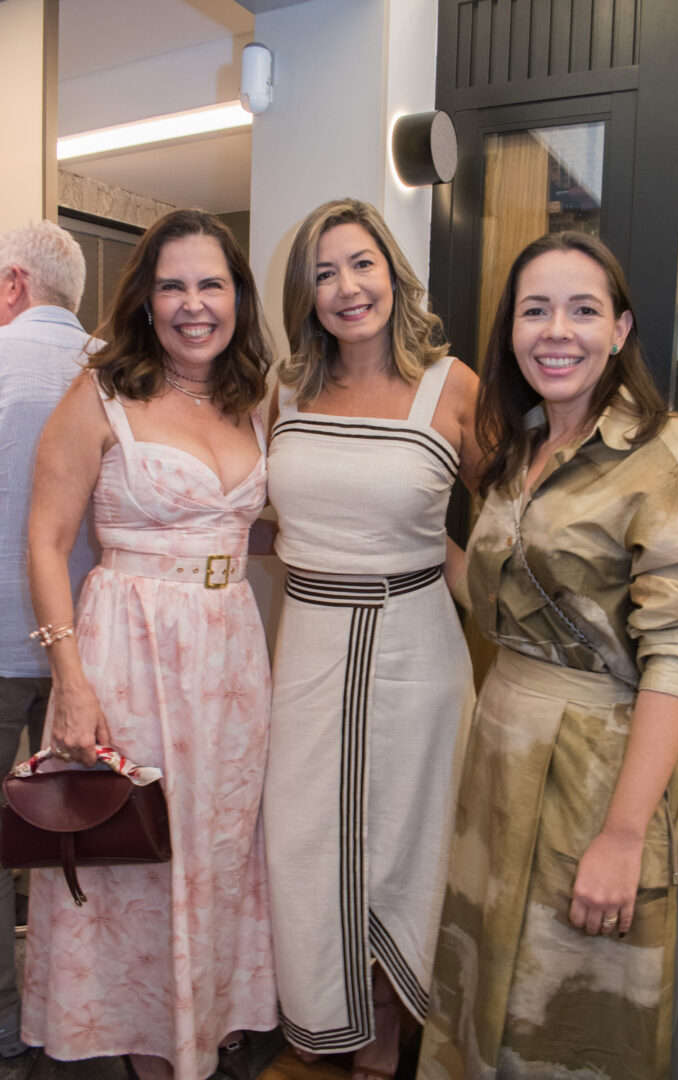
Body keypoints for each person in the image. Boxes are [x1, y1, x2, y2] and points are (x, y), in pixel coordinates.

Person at [418, 231, 678, 1080]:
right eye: (535, 310)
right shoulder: (520, 451)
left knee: (564, 1010)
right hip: (499, 754)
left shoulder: (671, 454)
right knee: (483, 990)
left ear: (619, 330)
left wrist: (623, 836)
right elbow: (506, 608)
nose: (557, 331)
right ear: (511, 331)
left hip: (595, 770)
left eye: (583, 310)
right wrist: (401, 539)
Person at [21, 209, 277, 1080]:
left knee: (220, 850)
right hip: (130, 650)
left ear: (237, 297)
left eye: (211, 285)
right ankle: (141, 1047)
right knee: (135, 850)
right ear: (146, 298)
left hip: (231, 656)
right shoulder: (100, 393)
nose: (193, 304)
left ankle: (203, 1027)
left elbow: (243, 522)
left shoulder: (256, 398)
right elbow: (46, 539)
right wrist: (69, 680)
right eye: (173, 286)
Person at [263, 198, 481, 1080]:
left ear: (394, 271)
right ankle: (331, 1018)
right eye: (324, 273)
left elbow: (511, 521)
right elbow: (254, 512)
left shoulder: (451, 386)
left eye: (362, 263)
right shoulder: (283, 391)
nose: (347, 287)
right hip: (309, 647)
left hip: (415, 651)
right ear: (305, 294)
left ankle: (385, 1039)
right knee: (305, 843)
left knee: (403, 845)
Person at [0, 220, 96, 1059]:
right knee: (91, 832)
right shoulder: (122, 370)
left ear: (13, 283)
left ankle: (4, 1018)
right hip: (93, 651)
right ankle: (85, 1010)